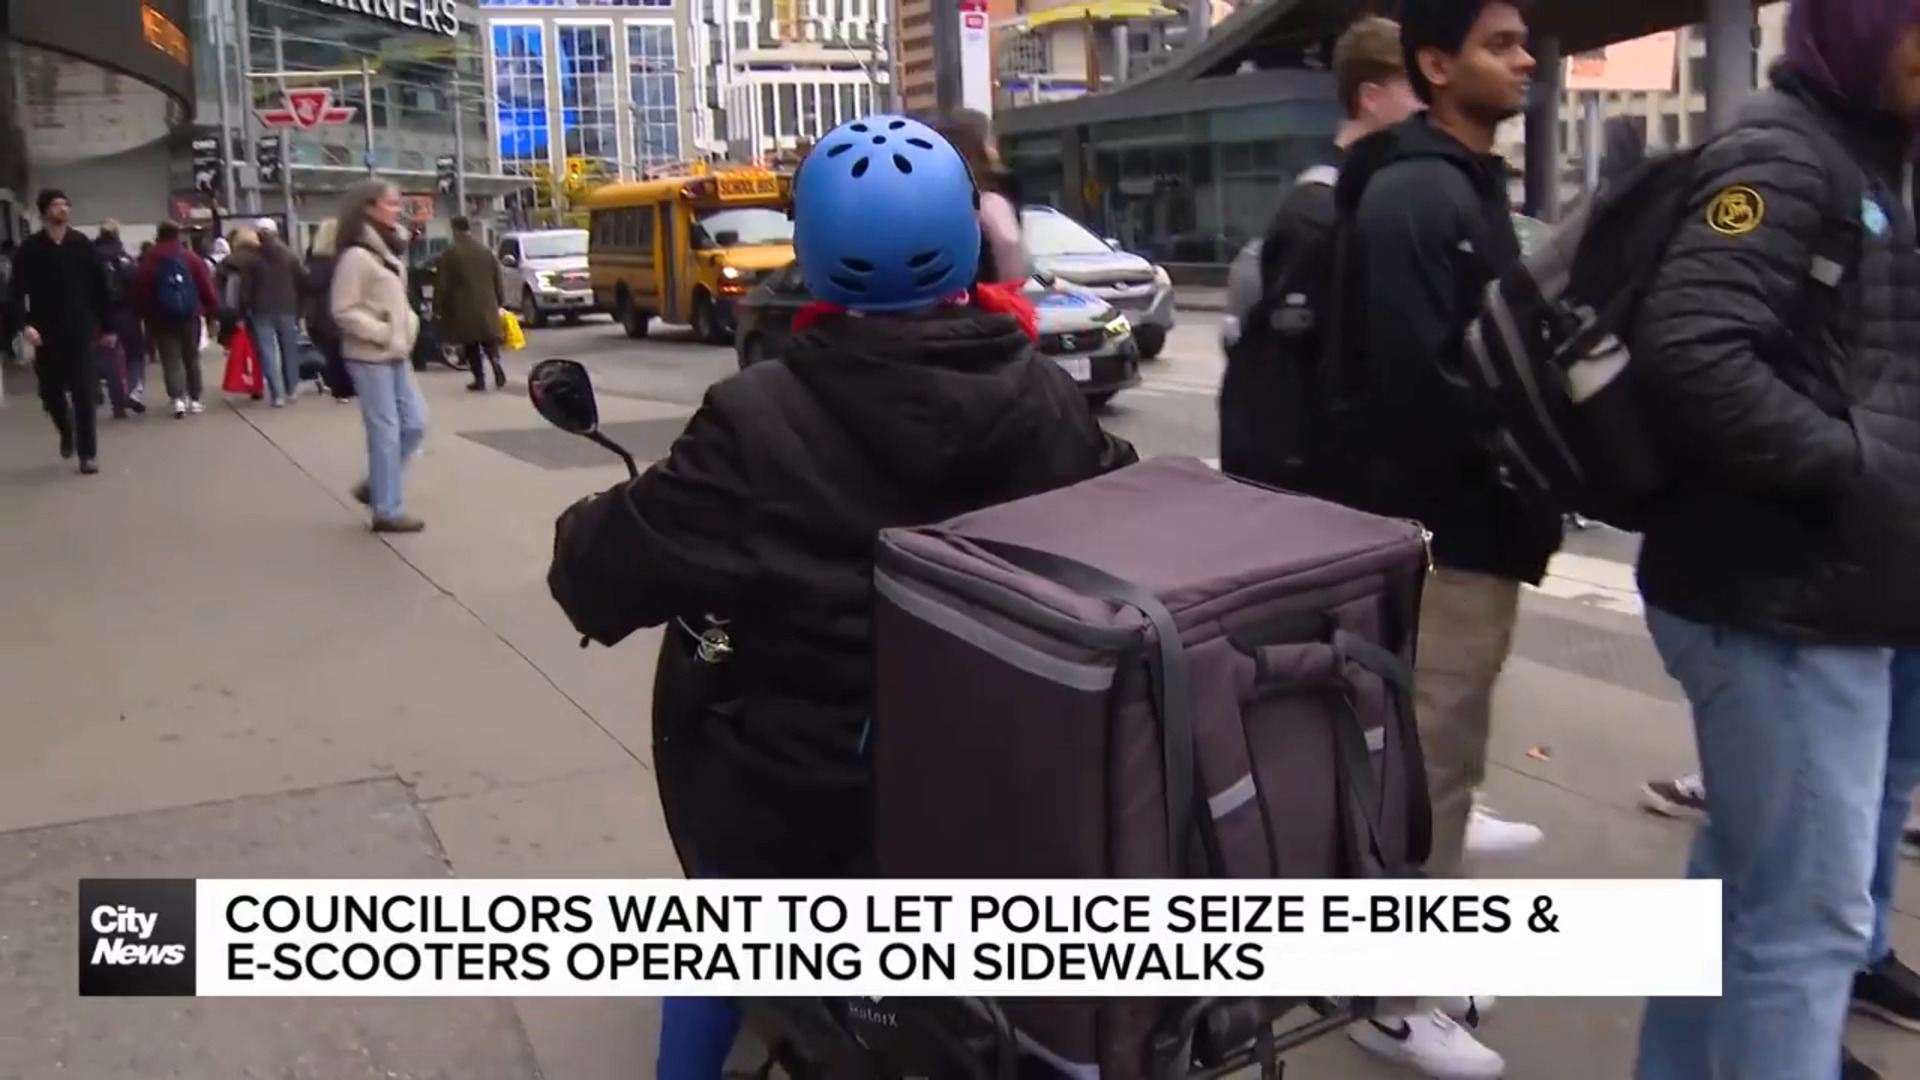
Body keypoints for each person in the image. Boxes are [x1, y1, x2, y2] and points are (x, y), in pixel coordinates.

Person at [544, 114, 1136, 1079]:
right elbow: (1123, 515)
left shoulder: (758, 419)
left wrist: (591, 529)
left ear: (812, 252)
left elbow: (598, 577)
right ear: (968, 238)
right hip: (1005, 782)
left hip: (813, 797)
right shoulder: (1045, 396)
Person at [1624, 4, 1920, 1078]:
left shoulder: (1860, 157)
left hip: (1807, 594)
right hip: (1785, 600)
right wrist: (1856, 469)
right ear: (1865, 28)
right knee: (1809, 925)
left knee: (1739, 891)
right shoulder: (1789, 157)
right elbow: (1693, 349)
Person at [1323, 3, 1550, 1077]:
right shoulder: (1419, 195)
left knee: (1447, 761)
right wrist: (1524, 452)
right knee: (1427, 767)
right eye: (1500, 44)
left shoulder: (1459, 184)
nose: (1525, 60)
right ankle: (1386, 1000)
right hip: (1443, 531)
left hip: (1476, 527)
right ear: (1434, 63)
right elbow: (1423, 386)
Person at [330, 179, 429, 534]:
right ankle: (386, 509)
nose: (397, 209)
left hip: (396, 352)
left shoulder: (387, 248)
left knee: (415, 423)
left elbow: (397, 300)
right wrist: (384, 332)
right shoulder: (356, 257)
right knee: (385, 431)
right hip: (369, 355)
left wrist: (408, 326)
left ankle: (376, 485)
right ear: (367, 208)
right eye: (390, 203)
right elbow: (343, 310)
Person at [9, 190, 114, 473]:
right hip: (46, 333)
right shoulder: (30, 249)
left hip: (80, 330)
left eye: (65, 205)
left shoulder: (81, 245)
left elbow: (101, 287)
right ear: (44, 212)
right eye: (56, 205)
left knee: (84, 392)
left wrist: (108, 326)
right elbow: (15, 292)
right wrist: (24, 324)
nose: (63, 209)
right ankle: (67, 429)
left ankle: (88, 454)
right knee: (51, 392)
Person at [134, 221, 220, 418]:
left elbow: (142, 290)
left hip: (161, 317)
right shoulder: (190, 257)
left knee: (170, 358)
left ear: (159, 235)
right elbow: (205, 285)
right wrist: (212, 311)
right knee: (191, 357)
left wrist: (145, 314)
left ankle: (177, 399)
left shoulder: (151, 258)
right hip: (190, 314)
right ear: (178, 235)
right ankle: (195, 399)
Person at [932, 108, 1027, 283]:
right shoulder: (989, 203)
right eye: (991, 141)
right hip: (985, 295)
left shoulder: (930, 205)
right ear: (980, 148)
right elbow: (1009, 244)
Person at [432, 216, 507, 391]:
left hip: (463, 306)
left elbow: (442, 284)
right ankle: (496, 362)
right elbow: (497, 278)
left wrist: (437, 308)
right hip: (487, 304)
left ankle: (479, 380)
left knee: (471, 344)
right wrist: (499, 300)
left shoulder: (451, 254)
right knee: (489, 340)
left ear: (454, 230)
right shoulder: (485, 251)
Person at [241, 218, 306, 407]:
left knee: (267, 352)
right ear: (277, 233)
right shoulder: (290, 256)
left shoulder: (252, 260)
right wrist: (300, 308)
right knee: (290, 350)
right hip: (288, 308)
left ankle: (277, 395)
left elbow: (245, 289)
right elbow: (303, 281)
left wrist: (244, 309)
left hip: (261, 310)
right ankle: (291, 389)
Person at [93, 220, 147, 418]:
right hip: (127, 314)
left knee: (109, 359)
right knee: (135, 356)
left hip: (100, 316)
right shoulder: (125, 259)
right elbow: (138, 286)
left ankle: (117, 405)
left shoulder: (91, 259)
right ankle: (133, 391)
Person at [304, 218, 354, 403]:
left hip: (322, 311)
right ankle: (346, 386)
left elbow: (312, 286)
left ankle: (339, 388)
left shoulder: (316, 261)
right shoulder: (348, 257)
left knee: (333, 351)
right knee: (343, 350)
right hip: (344, 307)